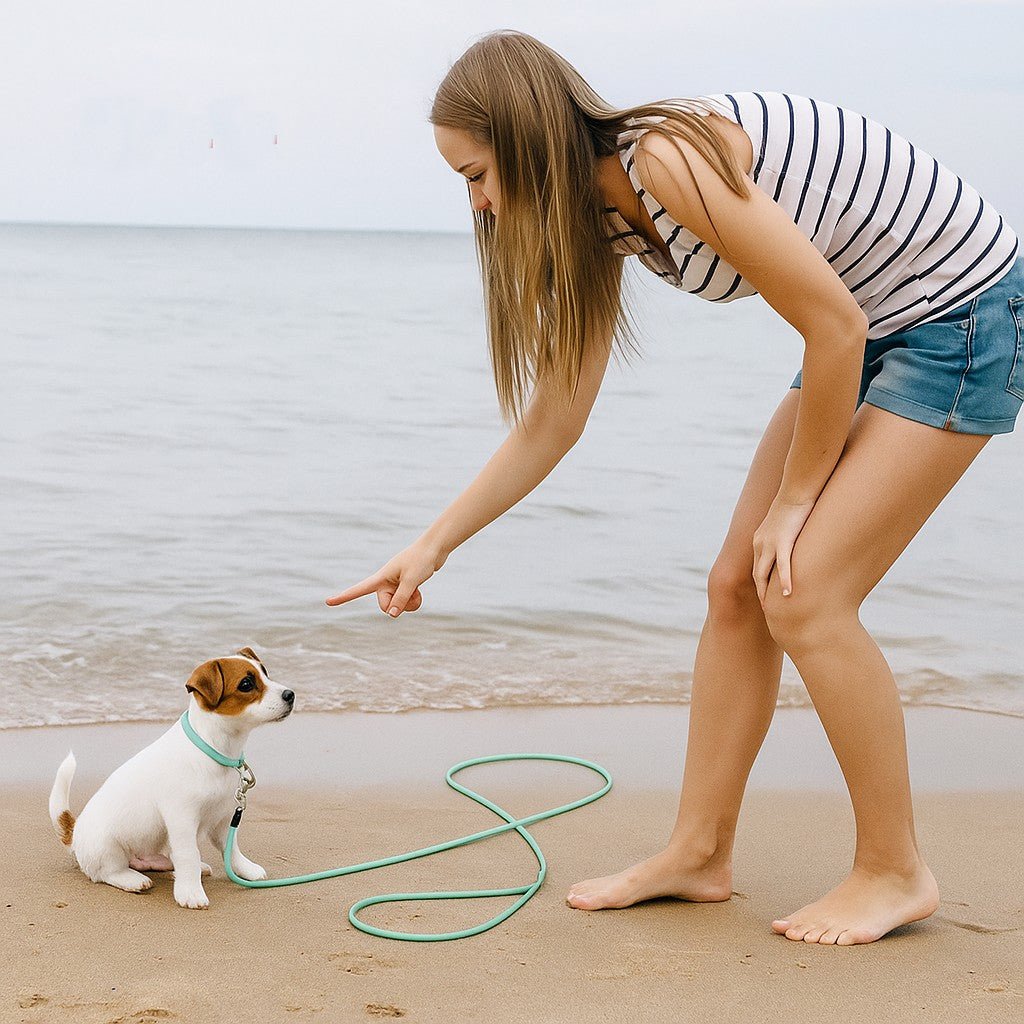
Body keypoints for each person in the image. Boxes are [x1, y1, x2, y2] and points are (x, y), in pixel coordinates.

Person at [326, 29, 1024, 946]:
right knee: (737, 585)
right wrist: (434, 543)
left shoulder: (665, 159)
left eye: (478, 173)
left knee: (806, 593)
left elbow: (834, 325)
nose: (480, 204)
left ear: (531, 136)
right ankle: (699, 854)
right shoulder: (602, 221)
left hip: (958, 314)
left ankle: (895, 871)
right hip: (872, 323)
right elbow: (554, 420)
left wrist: (793, 503)